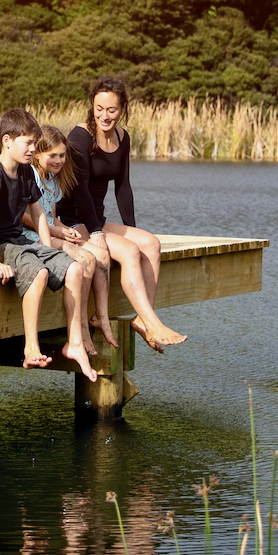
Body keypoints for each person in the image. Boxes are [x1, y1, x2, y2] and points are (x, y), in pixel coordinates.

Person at [0, 108, 98, 379]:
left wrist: (49, 248)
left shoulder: (26, 171)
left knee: (74, 268)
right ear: (7, 141)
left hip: (19, 242)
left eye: (33, 143)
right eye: (27, 143)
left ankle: (74, 344)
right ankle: (30, 348)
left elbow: (38, 213)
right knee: (38, 272)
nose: (31, 149)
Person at [58, 77, 187, 353]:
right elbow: (79, 191)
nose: (105, 115)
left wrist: (132, 229)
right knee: (129, 252)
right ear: (92, 107)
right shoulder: (79, 137)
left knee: (150, 244)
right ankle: (154, 323)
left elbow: (123, 187)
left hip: (97, 219)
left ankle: (143, 318)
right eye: (99, 108)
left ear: (122, 109)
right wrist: (95, 233)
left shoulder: (122, 137)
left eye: (112, 110)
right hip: (73, 220)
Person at [25, 124, 118, 355]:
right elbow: (24, 217)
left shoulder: (55, 179)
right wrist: (56, 232)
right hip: (33, 236)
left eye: (62, 155)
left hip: (51, 231)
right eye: (52, 156)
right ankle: (80, 330)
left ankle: (100, 316)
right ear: (37, 154)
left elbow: (52, 217)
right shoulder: (31, 176)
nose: (58, 161)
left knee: (102, 255)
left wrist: (65, 229)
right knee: (85, 258)